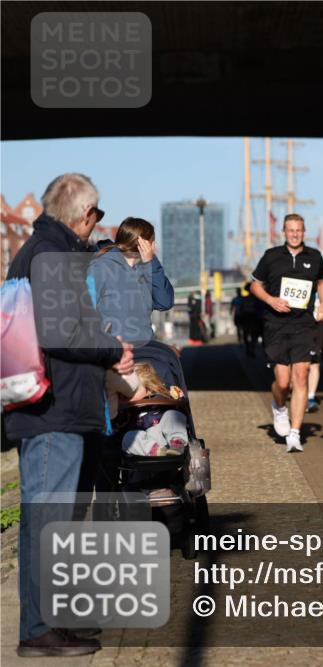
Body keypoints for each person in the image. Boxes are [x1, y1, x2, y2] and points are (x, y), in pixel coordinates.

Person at [5, 173, 134, 657]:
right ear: (84, 213)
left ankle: (51, 623)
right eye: (96, 214)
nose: (96, 222)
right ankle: (39, 631)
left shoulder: (41, 252)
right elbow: (60, 332)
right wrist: (112, 349)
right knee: (47, 521)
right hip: (53, 413)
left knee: (51, 521)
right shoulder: (51, 256)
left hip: (55, 408)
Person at [250, 214, 323, 452]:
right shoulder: (271, 256)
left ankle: (295, 433)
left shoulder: (314, 256)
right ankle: (279, 406)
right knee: (283, 383)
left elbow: (322, 281)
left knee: (301, 376)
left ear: (304, 232)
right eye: (291, 230)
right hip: (276, 325)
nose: (295, 234)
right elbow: (255, 285)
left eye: (299, 230)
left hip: (303, 324)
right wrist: (270, 300)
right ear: (283, 232)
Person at [87, 217, 175, 346]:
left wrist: (152, 263)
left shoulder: (147, 270)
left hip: (145, 348)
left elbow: (165, 302)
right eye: (152, 242)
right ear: (142, 244)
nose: (155, 246)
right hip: (114, 350)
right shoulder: (100, 267)